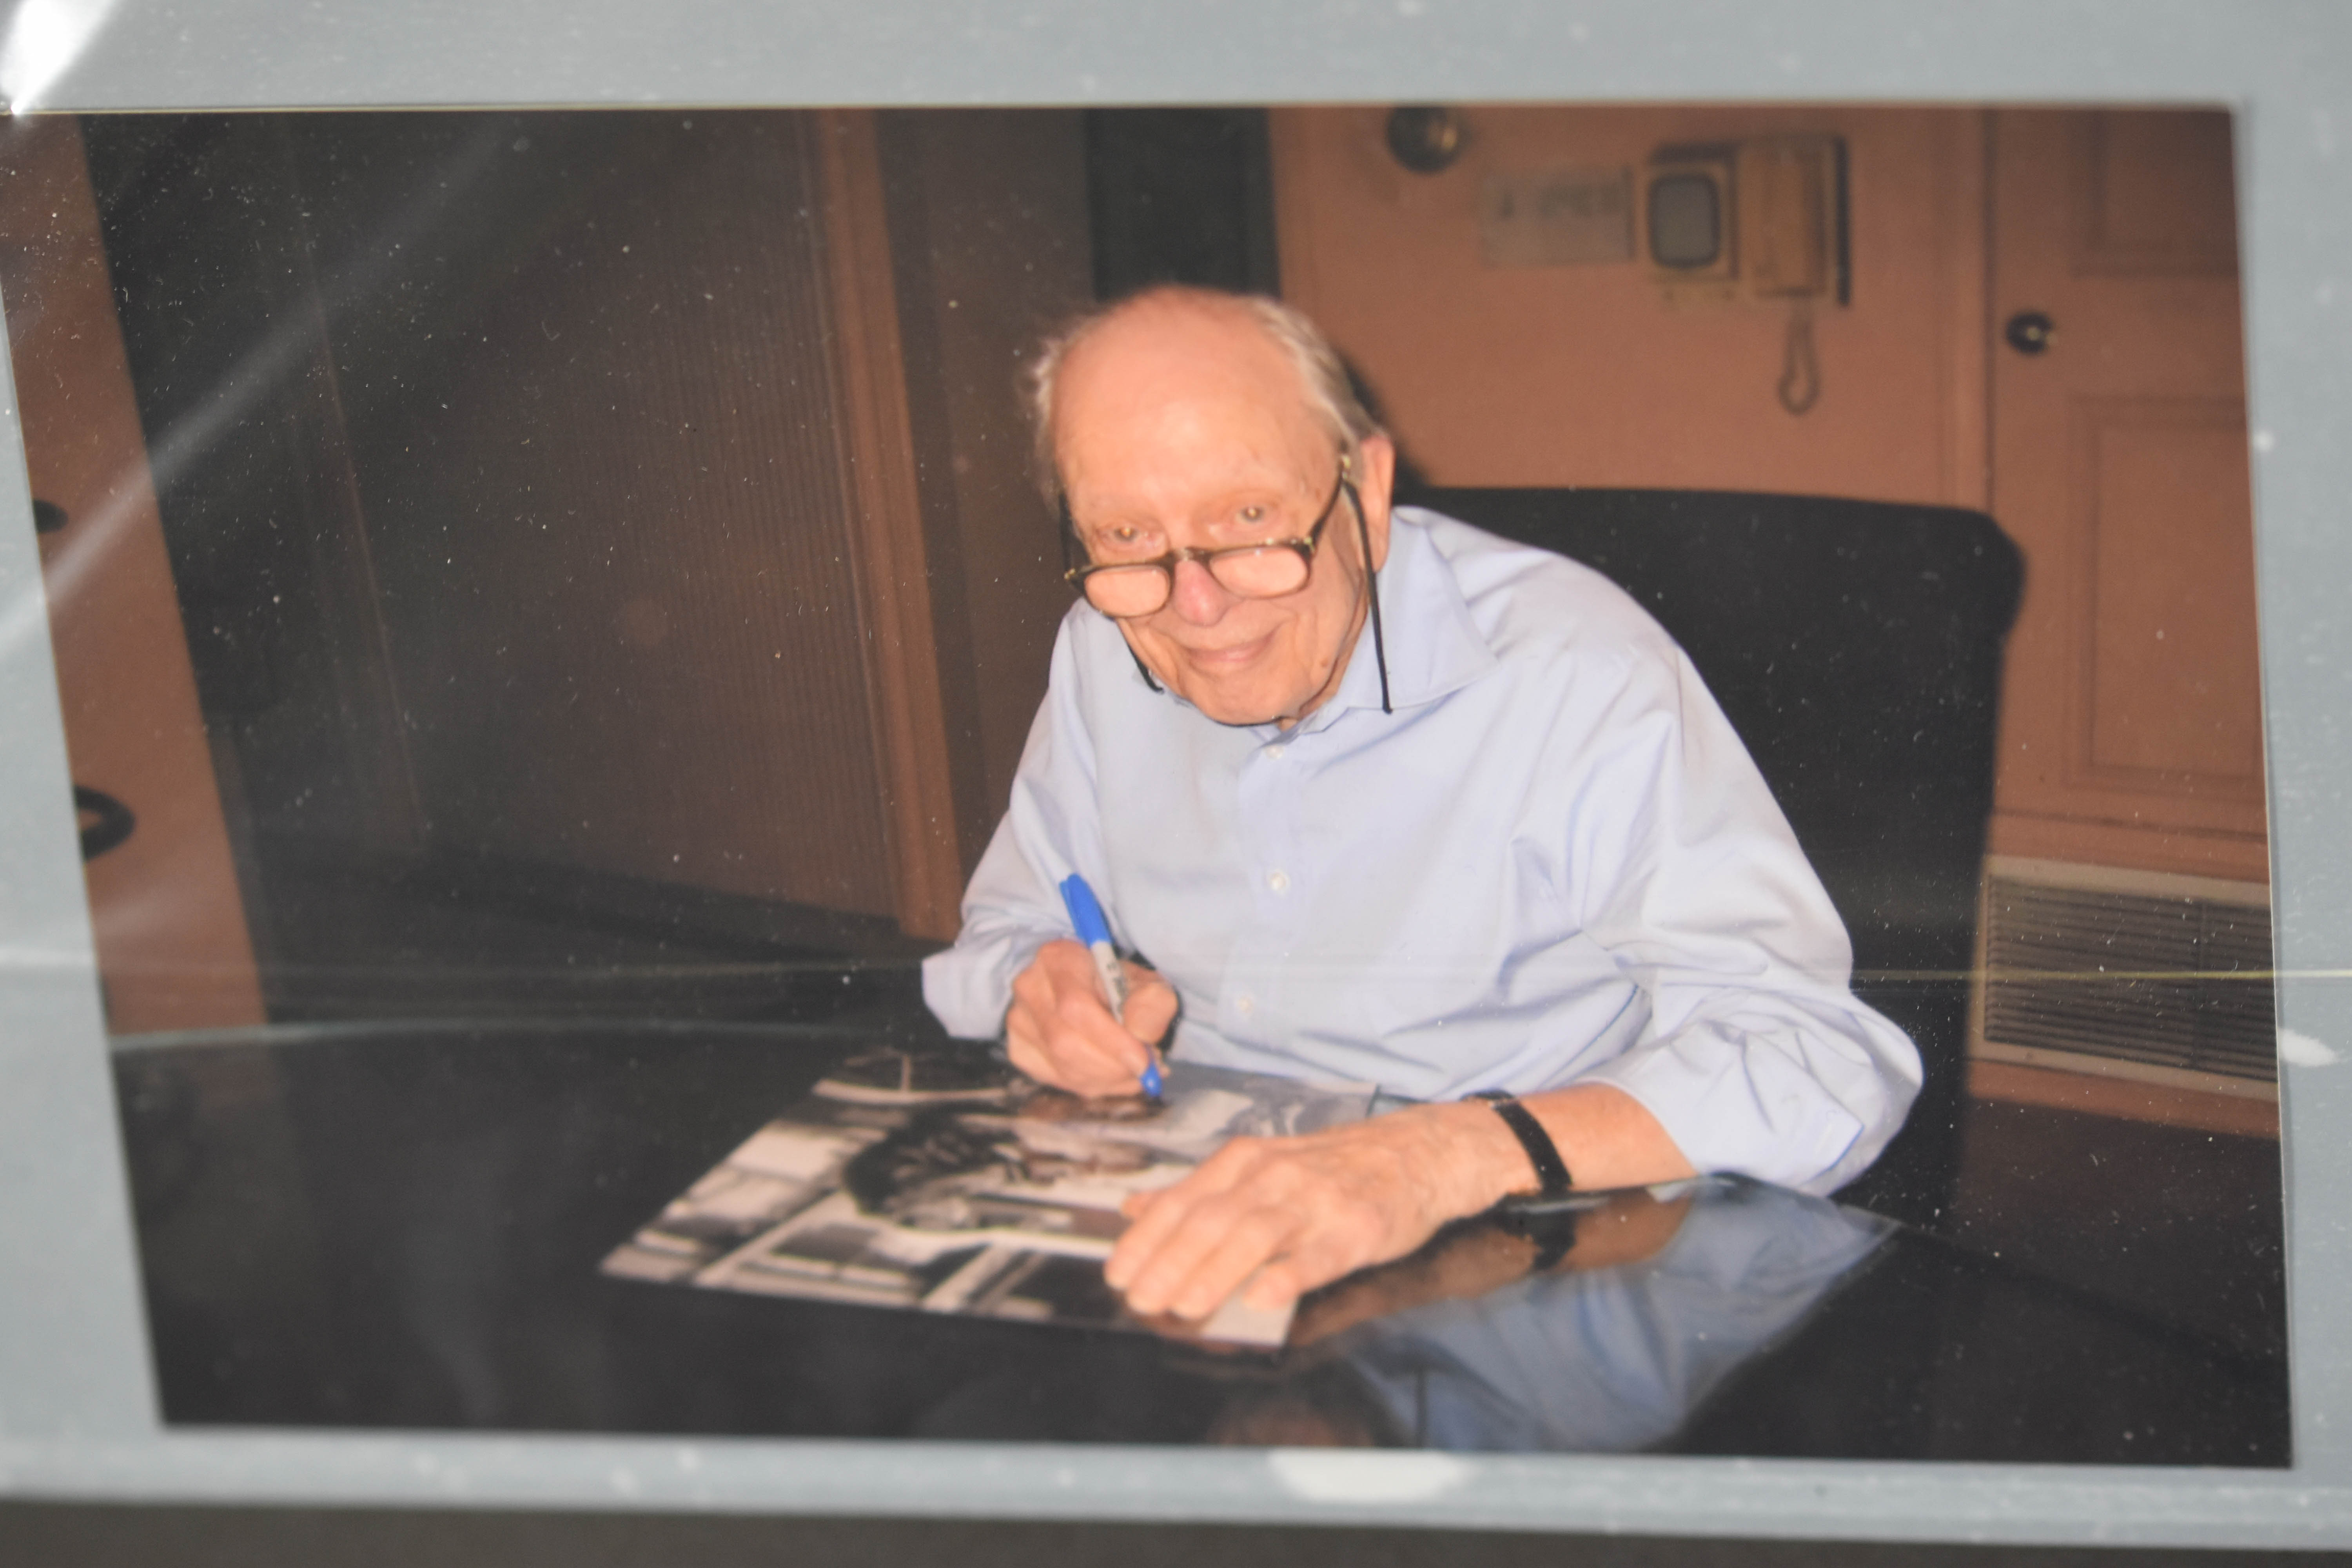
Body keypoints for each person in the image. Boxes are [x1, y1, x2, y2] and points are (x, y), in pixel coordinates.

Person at [920, 285, 1920, 1327]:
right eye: (1128, 534)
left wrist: (1444, 1155)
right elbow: (1005, 935)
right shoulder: (1103, 644)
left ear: (1368, 490)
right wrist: (1041, 991)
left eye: (1249, 520)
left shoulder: (1574, 673)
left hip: (1511, 1262)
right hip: (1194, 1233)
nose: (1198, 607)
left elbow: (1821, 1062)